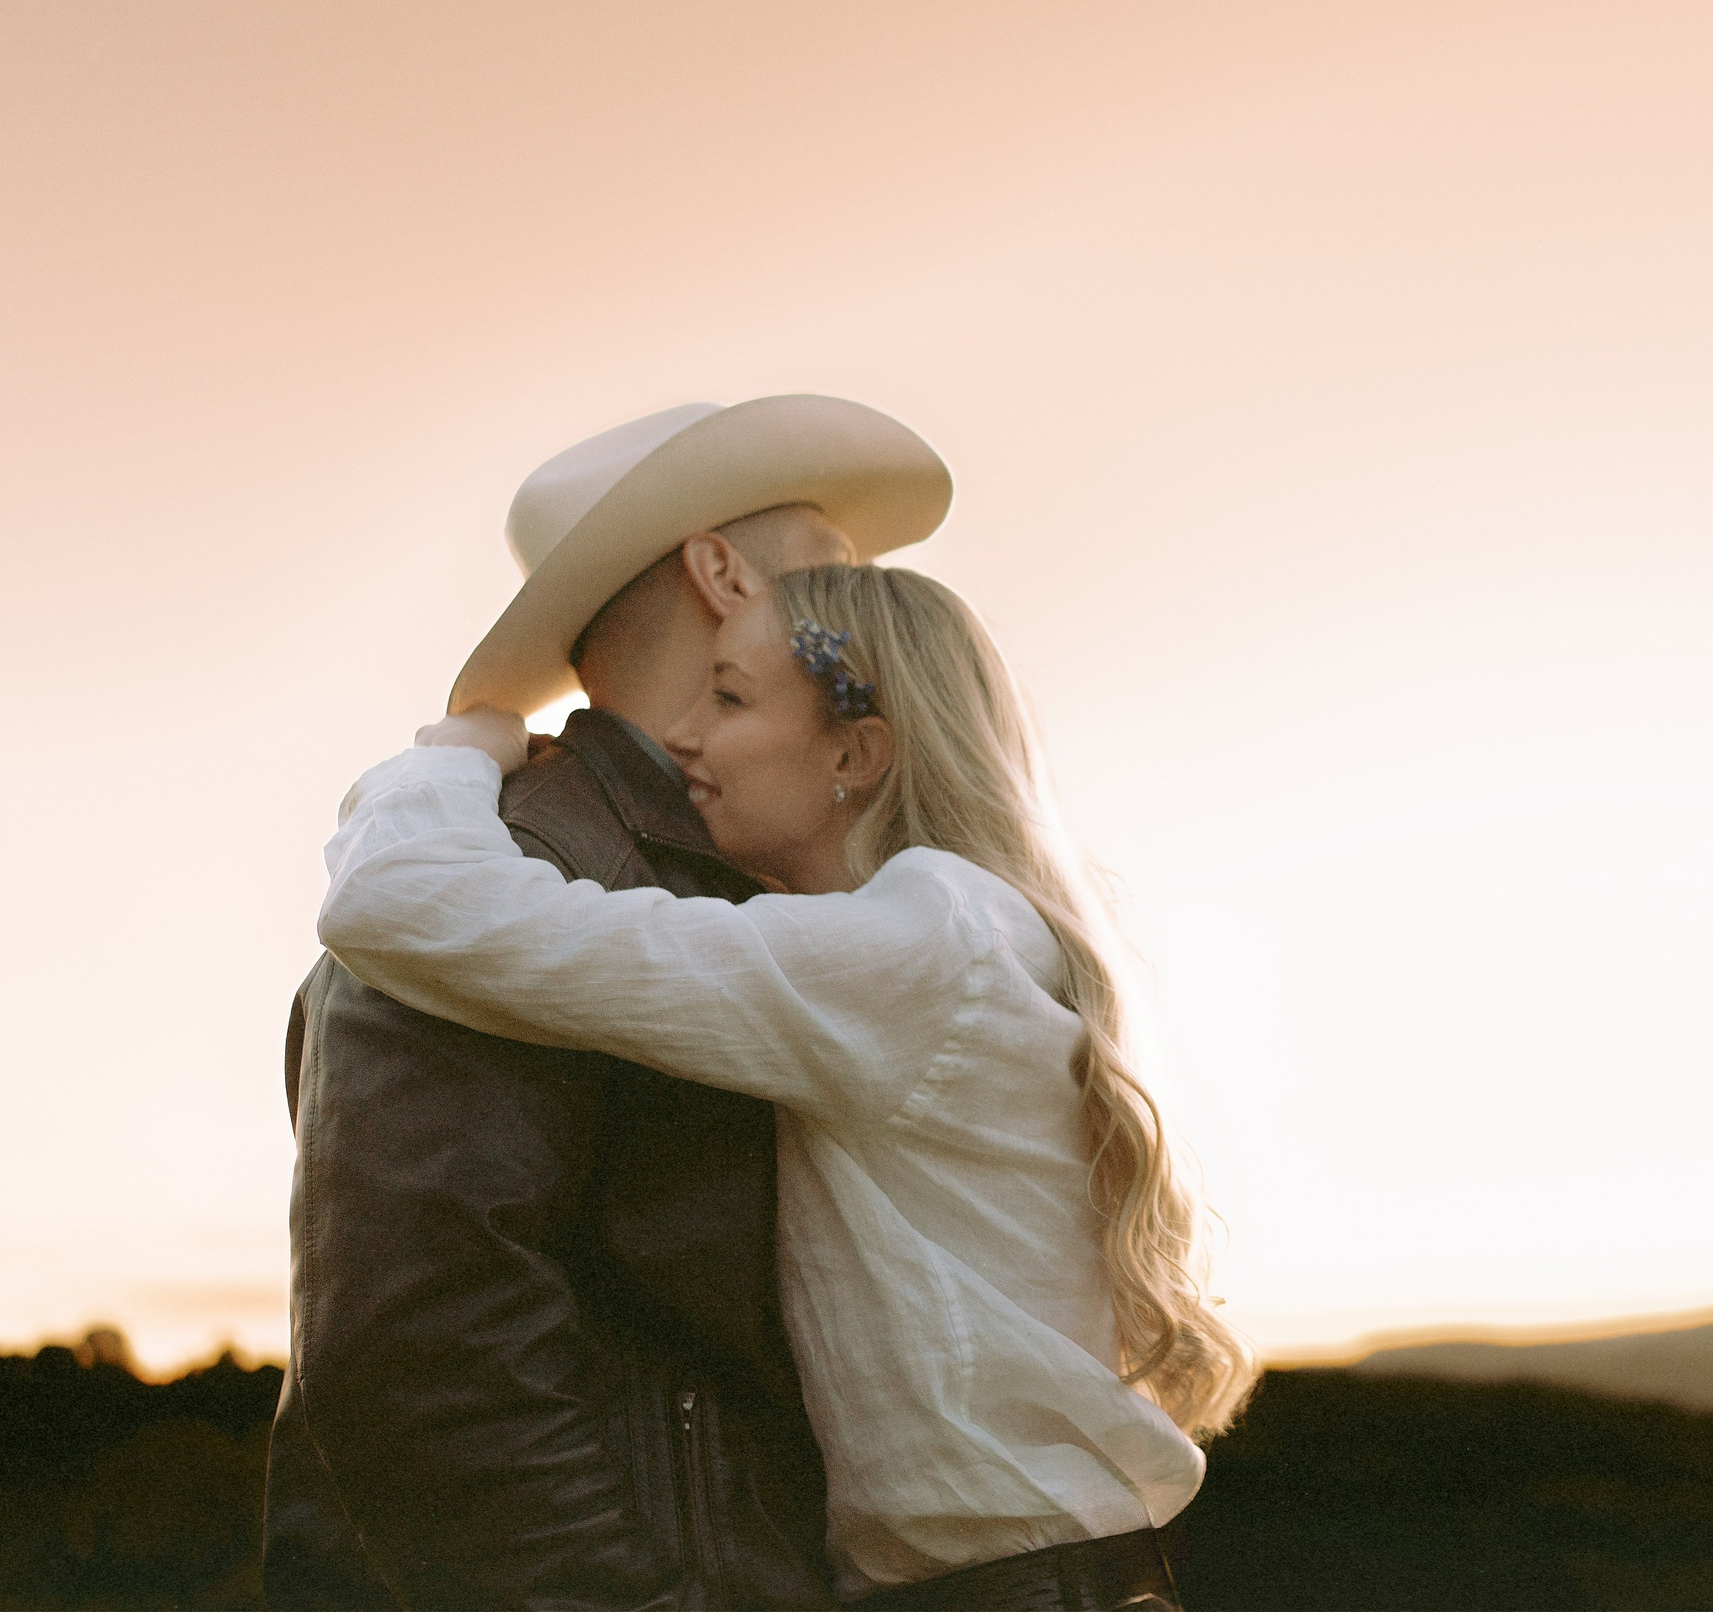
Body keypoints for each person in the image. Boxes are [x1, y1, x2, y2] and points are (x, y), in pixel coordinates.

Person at [316, 561, 1254, 1608]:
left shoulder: (923, 945)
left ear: (854, 751)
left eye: (729, 697)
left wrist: (450, 762)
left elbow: (401, 902)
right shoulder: (956, 935)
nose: (684, 736)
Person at [264, 397, 954, 1609]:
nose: (856, 611)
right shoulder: (503, 876)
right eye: (832, 570)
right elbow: (426, 1358)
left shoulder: (737, 889)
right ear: (723, 574)